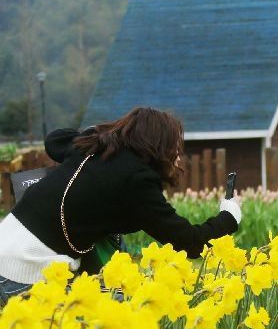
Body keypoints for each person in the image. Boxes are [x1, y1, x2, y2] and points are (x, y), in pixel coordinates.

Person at [0, 107, 241, 305]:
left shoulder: (94, 147)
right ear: (159, 147)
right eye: (175, 148)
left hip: (6, 250)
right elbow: (191, 243)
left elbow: (54, 139)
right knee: (123, 308)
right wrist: (230, 215)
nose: (178, 157)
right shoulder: (136, 180)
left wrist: (103, 133)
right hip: (26, 272)